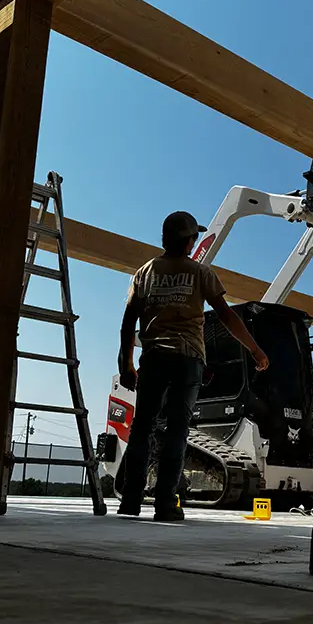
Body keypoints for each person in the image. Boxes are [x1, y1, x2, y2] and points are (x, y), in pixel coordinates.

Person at [116, 211, 270, 521]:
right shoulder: (201, 273)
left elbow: (128, 321)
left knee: (142, 429)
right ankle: (164, 504)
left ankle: (130, 501)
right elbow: (227, 316)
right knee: (177, 431)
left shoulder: (145, 272)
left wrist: (126, 364)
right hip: (187, 359)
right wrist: (255, 350)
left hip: (154, 357)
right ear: (189, 240)